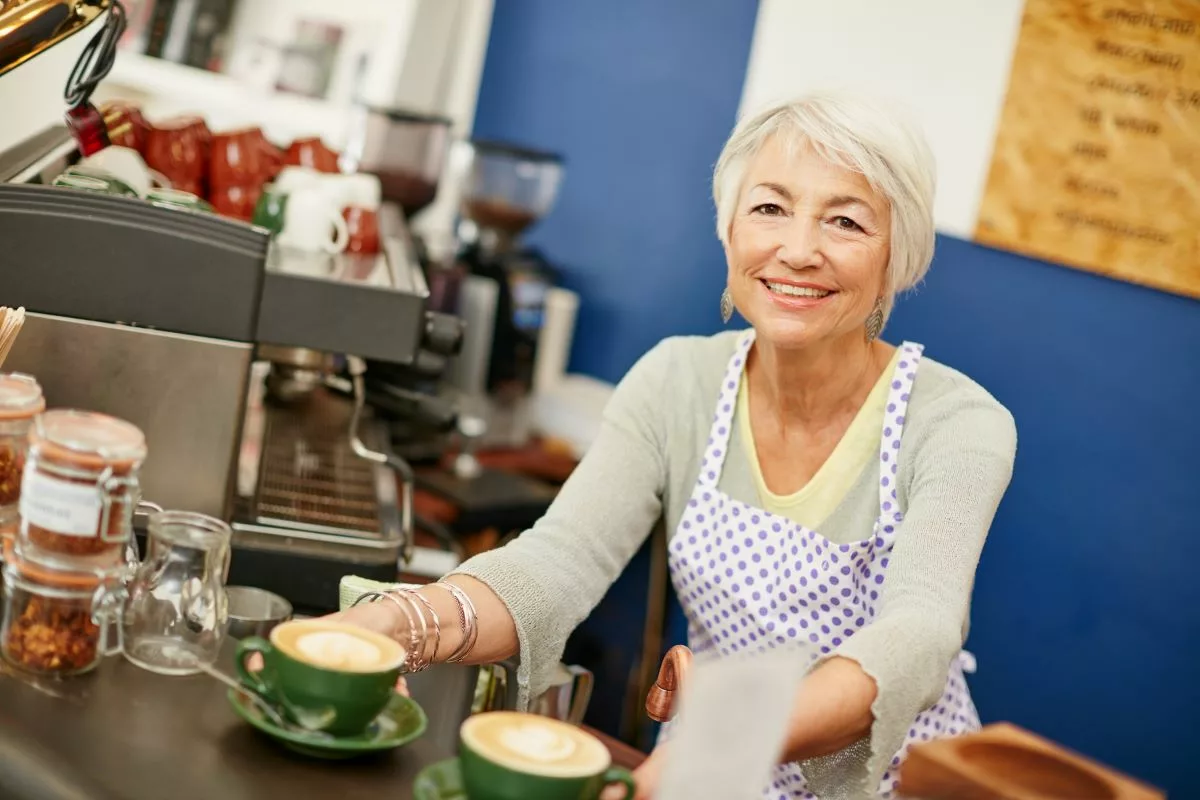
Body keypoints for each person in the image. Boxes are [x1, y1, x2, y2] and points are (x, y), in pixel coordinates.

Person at [333, 91, 1017, 799]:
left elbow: (921, 632)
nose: (799, 249)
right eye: (769, 208)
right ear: (728, 230)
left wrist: (731, 733)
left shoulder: (956, 424)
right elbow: (559, 560)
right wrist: (402, 621)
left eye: (845, 221)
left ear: (896, 257)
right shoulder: (676, 382)